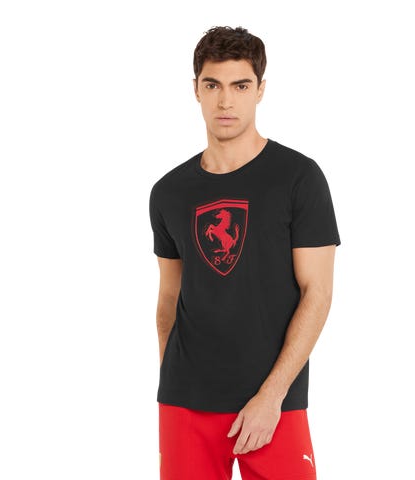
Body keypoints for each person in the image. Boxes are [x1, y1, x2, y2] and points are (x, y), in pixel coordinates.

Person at [149, 25, 341, 480]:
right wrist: (174, 380)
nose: (225, 101)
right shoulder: (168, 192)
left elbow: (317, 293)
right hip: (186, 402)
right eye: (212, 85)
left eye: (240, 86)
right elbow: (169, 297)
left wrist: (271, 396)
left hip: (274, 401)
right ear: (196, 90)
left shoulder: (299, 178)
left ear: (260, 90)